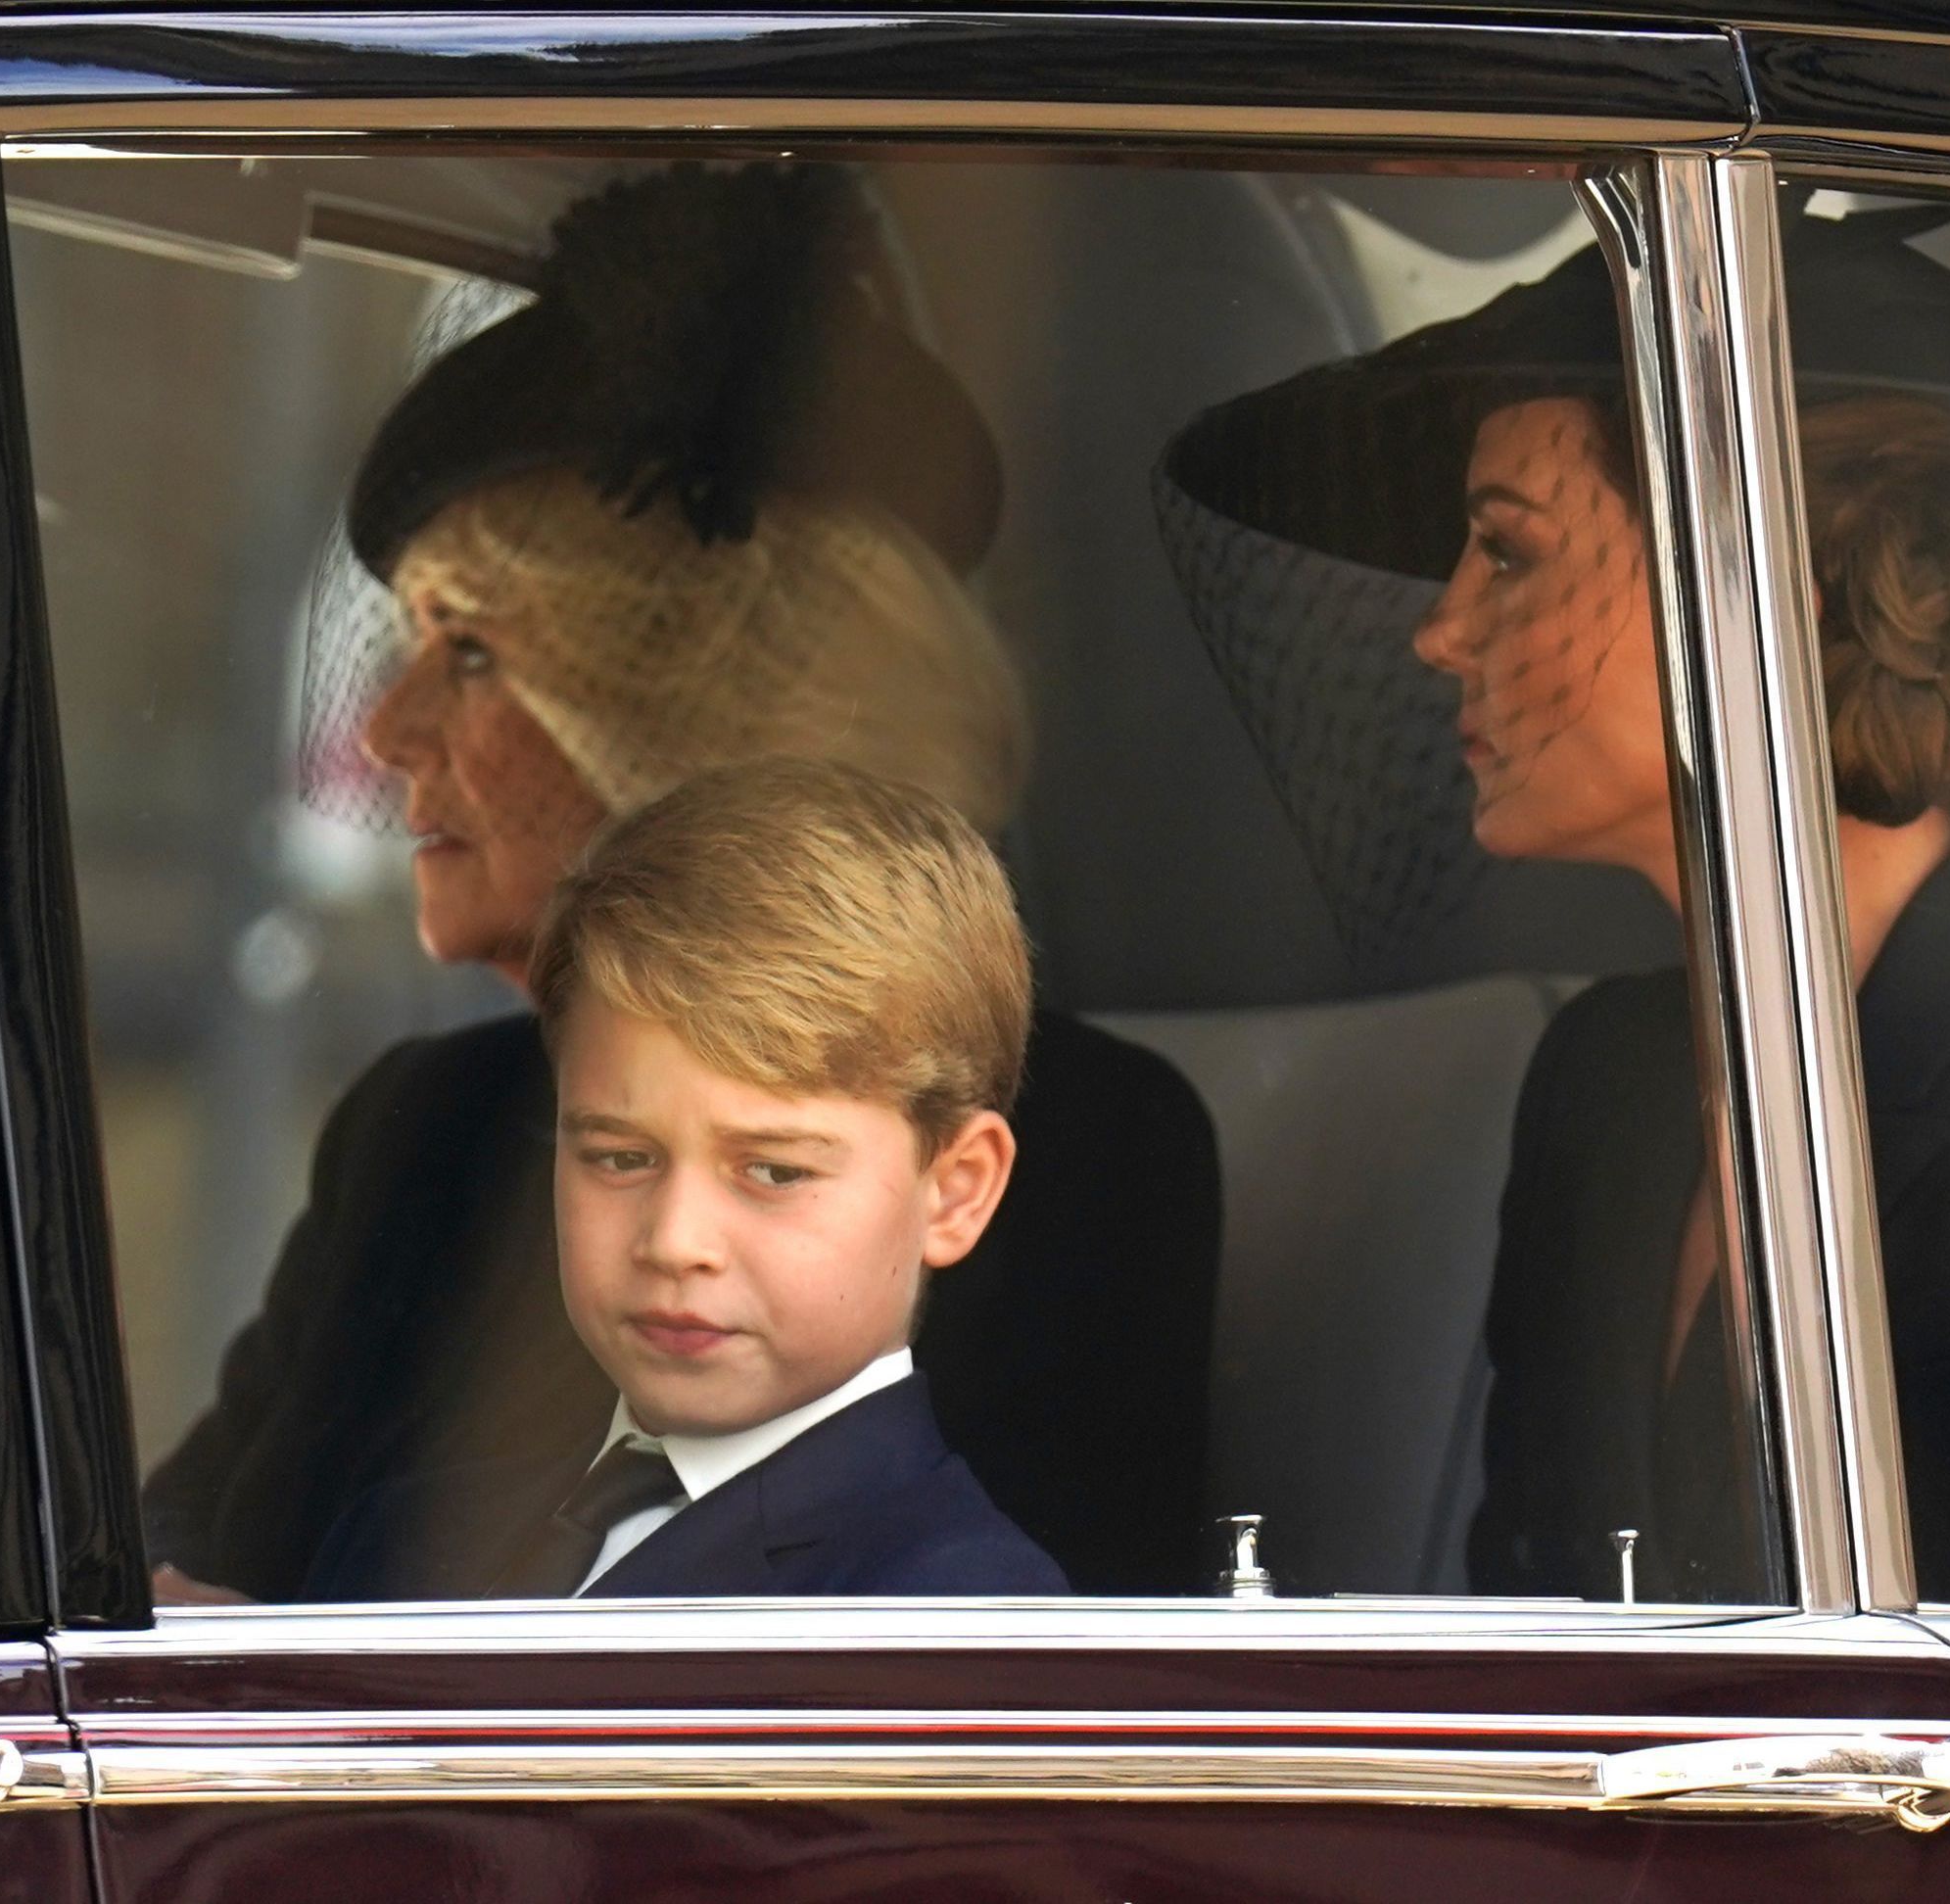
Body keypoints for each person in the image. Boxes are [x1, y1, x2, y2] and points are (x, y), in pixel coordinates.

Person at [1156, 202, 1950, 1605]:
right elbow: (1543, 1638)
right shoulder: (1604, 1083)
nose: (1438, 628)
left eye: (1509, 552)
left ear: (1776, 595)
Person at [145, 164, 1219, 1605]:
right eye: (613, 1156)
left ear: (687, 701)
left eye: (472, 653)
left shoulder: (1067, 1139)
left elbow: (967, 1712)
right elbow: (163, 1587)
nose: (387, 730)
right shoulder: (419, 1126)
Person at [308, 762, 1067, 1599]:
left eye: (774, 1171)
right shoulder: (398, 1541)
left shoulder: (950, 1621)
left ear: (955, 1191)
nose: (675, 1242)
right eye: (618, 1157)